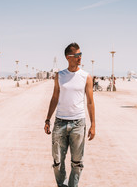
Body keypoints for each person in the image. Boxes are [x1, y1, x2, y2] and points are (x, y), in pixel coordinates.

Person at [44, 42, 95, 187]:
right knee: (57, 162)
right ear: (68, 57)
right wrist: (47, 119)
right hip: (60, 123)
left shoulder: (86, 77)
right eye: (77, 55)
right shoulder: (59, 76)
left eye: (81, 55)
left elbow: (90, 102)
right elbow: (54, 98)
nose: (80, 58)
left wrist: (93, 125)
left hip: (78, 123)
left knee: (77, 163)